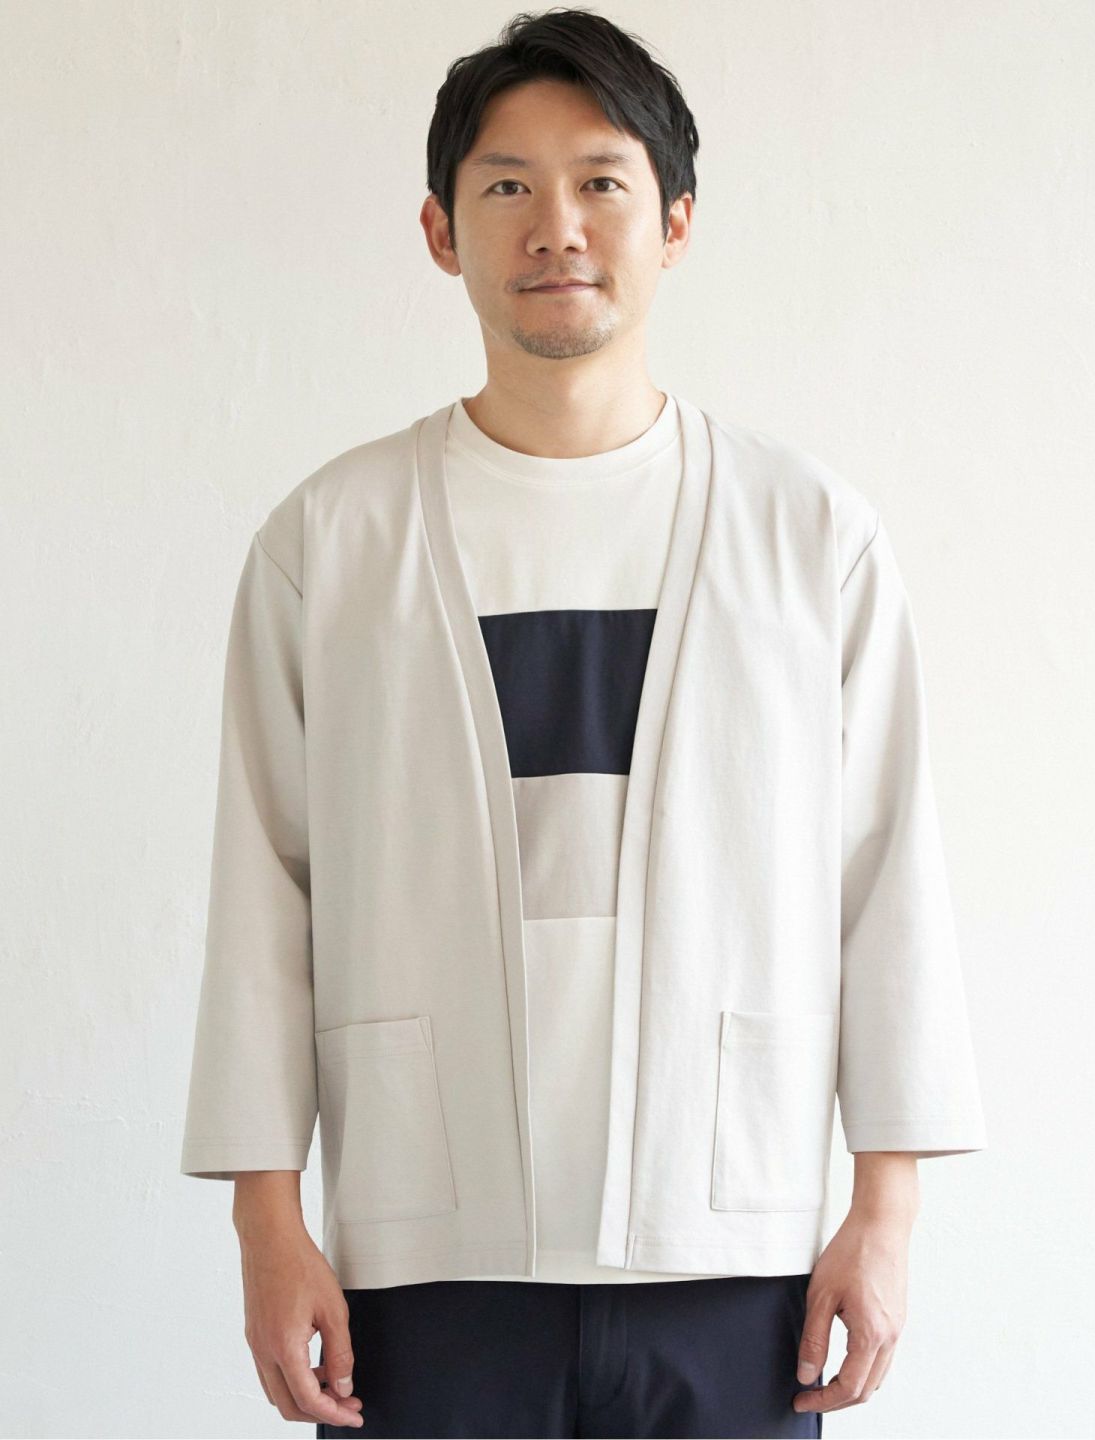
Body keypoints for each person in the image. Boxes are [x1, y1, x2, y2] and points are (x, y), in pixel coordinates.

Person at [180, 9, 987, 1437]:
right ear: (441, 231)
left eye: (601, 181)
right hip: (425, 1260)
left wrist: (887, 1206)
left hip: (734, 1253)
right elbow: (266, 890)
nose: (556, 224)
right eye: (507, 185)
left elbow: (886, 879)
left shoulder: (808, 536)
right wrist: (267, 1217)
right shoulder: (333, 541)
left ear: (675, 221)